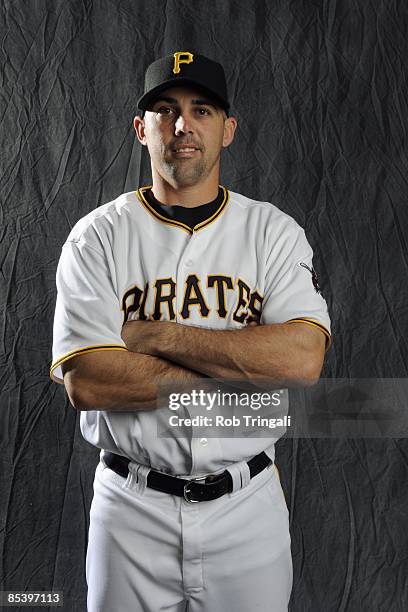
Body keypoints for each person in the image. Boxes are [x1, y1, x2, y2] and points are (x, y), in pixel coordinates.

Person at [50, 50, 331, 612]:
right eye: (165, 110)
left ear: (227, 130)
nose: (184, 126)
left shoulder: (272, 232)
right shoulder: (97, 237)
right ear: (141, 129)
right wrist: (244, 368)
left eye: (202, 110)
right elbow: (91, 383)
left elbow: (301, 360)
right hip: (130, 509)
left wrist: (155, 336)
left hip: (246, 507)